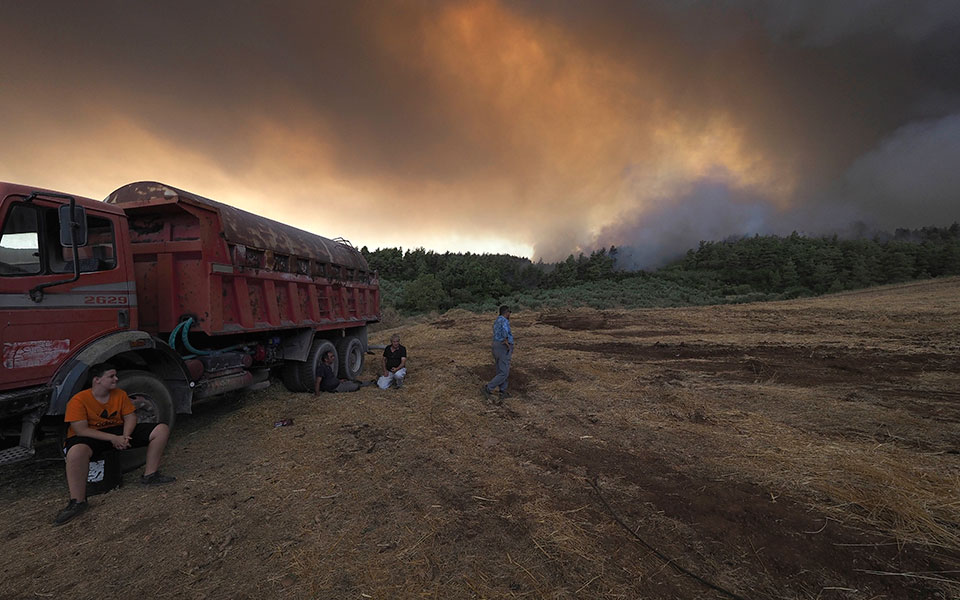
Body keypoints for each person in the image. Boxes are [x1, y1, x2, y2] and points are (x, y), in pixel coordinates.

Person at [54, 363, 175, 526]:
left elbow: (131, 417)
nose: (116, 379)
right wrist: (112, 438)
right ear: (97, 380)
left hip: (116, 432)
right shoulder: (78, 400)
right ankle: (78, 501)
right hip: (90, 435)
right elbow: (80, 430)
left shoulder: (119, 394)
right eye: (111, 376)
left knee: (161, 429)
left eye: (115, 375)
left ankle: (150, 476)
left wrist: (125, 436)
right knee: (75, 452)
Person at [482, 305, 513, 403]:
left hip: (496, 345)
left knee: (500, 369)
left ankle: (502, 391)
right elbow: (504, 330)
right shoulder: (504, 321)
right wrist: (506, 341)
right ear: (506, 312)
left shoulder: (497, 320)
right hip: (502, 346)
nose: (510, 314)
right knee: (504, 371)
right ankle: (488, 388)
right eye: (509, 312)